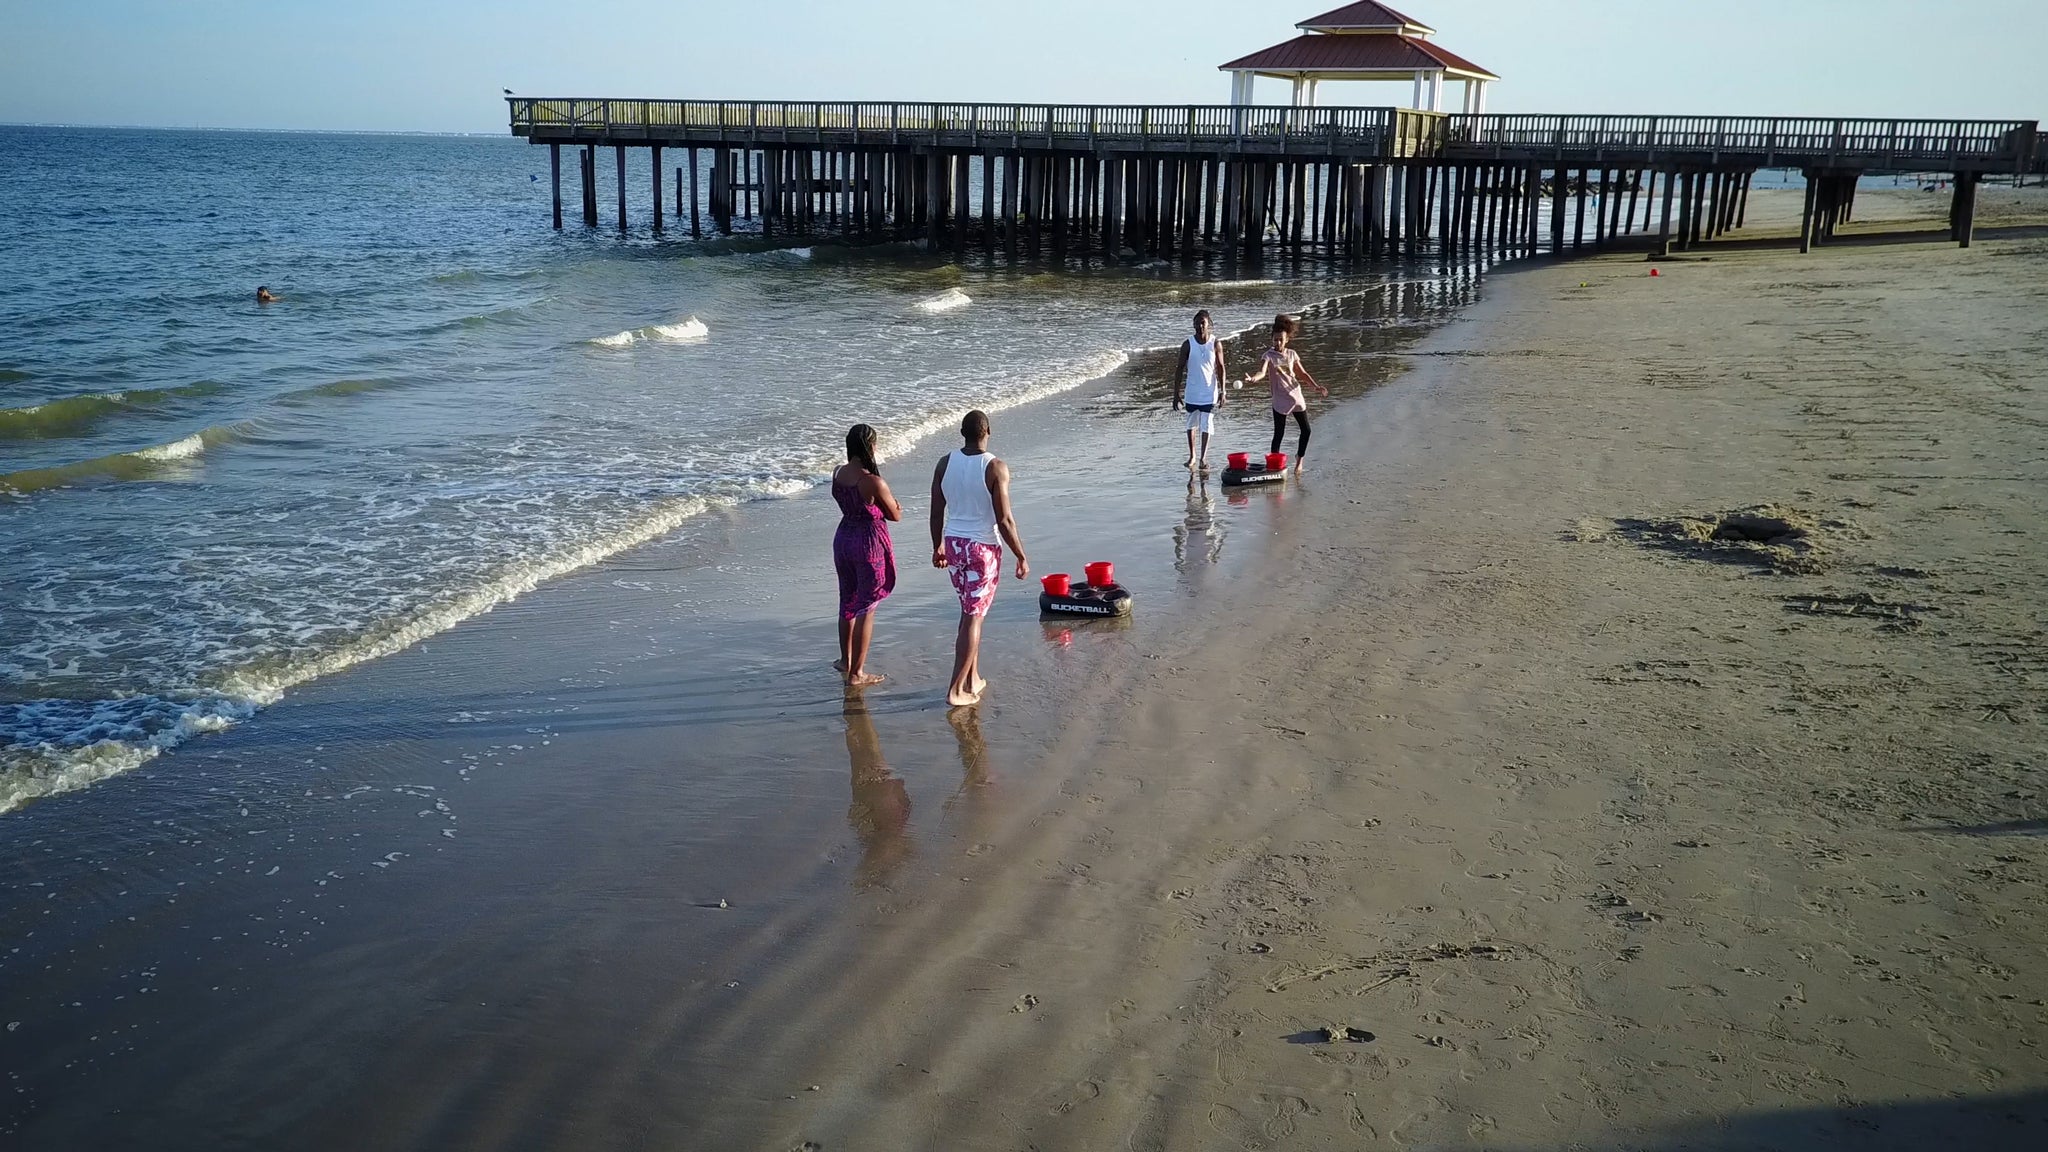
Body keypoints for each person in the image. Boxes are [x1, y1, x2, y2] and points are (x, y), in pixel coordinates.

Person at [929, 410, 1029, 708]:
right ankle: (956, 689)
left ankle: (972, 678)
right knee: (973, 617)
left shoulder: (945, 463)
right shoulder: (995, 467)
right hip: (981, 548)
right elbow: (1005, 519)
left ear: (962, 432)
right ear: (988, 432)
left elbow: (936, 512)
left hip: (954, 544)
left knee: (969, 612)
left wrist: (938, 547)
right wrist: (1021, 555)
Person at [832, 424, 901, 687]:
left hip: (843, 538)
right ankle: (857, 673)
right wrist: (893, 507)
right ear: (869, 447)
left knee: (847, 600)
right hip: (868, 543)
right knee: (867, 607)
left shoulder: (838, 472)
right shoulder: (872, 481)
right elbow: (895, 514)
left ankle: (845, 660)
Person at [1238, 314, 1327, 472]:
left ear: (1286, 340)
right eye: (1275, 339)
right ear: (1271, 340)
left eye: (1280, 339)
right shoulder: (1268, 356)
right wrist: (1253, 378)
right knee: (1279, 433)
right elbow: (1262, 372)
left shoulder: (1292, 354)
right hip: (1280, 399)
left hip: (1296, 395)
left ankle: (1299, 461)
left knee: (1306, 430)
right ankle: (1274, 465)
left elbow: (1302, 374)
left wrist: (1316, 386)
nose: (1277, 342)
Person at [1171, 309, 1228, 470]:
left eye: (1203, 323)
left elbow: (1221, 367)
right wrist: (1176, 394)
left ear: (1209, 324)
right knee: (1191, 424)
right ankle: (1192, 456)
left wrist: (1223, 391)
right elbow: (1179, 368)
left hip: (1210, 391)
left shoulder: (1216, 343)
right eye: (1197, 323)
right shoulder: (1188, 344)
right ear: (1193, 325)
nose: (1200, 326)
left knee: (1207, 423)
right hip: (1192, 392)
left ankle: (1203, 457)